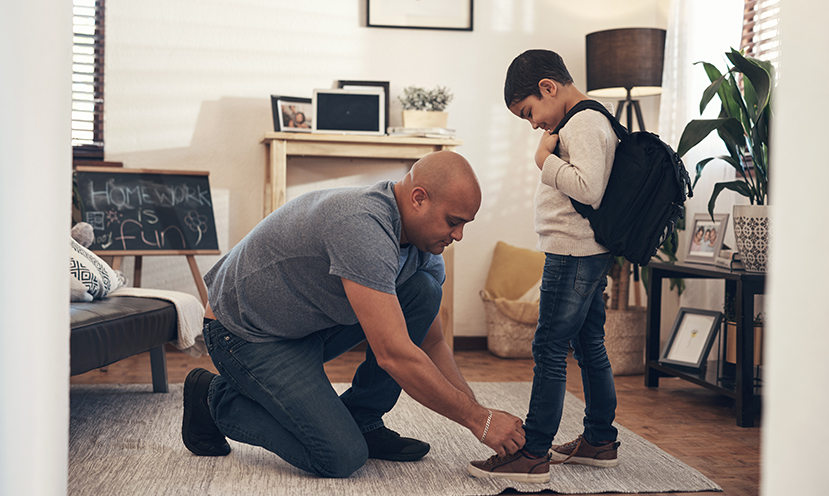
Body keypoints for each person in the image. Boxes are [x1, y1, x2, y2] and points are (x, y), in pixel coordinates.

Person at [181, 150, 526, 478]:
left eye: (464, 224)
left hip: (305, 324)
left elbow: (431, 344)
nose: (459, 235)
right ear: (419, 198)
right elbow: (395, 354)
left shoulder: (425, 248)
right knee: (340, 455)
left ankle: (363, 419)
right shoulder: (362, 225)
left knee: (424, 291)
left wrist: (481, 414)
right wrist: (478, 419)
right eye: (453, 222)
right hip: (244, 334)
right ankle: (214, 397)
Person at [468, 49, 621, 484]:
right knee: (589, 344)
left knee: (550, 350)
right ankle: (599, 440)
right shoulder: (588, 120)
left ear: (549, 88)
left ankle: (533, 452)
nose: (533, 123)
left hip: (573, 254)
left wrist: (544, 161)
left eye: (529, 111)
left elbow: (589, 189)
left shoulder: (586, 123)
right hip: (584, 253)